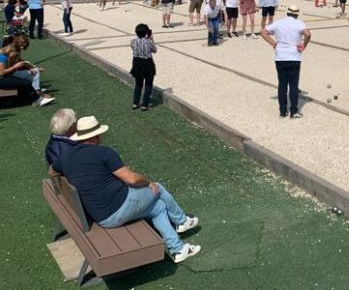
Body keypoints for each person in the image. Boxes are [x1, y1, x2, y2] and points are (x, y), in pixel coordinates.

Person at [50, 116, 201, 262]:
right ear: (97, 135)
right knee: (158, 188)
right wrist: (148, 182)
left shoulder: (66, 157)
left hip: (101, 218)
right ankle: (182, 221)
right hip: (118, 208)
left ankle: (178, 249)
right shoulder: (104, 153)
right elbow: (132, 179)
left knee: (158, 207)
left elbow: (52, 171)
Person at [261, 5, 311, 118]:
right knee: (293, 86)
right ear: (297, 14)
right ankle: (294, 111)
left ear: (287, 13)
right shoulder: (299, 23)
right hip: (294, 57)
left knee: (282, 85)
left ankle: (282, 112)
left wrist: (273, 43)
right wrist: (304, 44)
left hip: (280, 57)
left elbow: (263, 32)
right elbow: (308, 34)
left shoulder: (279, 22)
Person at [0, 34, 55, 106]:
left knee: (29, 80)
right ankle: (36, 99)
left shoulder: (13, 52)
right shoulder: (3, 56)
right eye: (21, 46)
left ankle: (34, 95)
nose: (22, 48)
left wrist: (32, 67)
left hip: (7, 75)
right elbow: (1, 73)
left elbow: (21, 62)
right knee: (27, 83)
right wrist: (15, 67)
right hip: (2, 78)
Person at [130, 23, 157, 111]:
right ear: (146, 32)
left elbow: (133, 48)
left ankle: (135, 103)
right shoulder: (148, 42)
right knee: (148, 84)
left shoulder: (133, 41)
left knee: (138, 84)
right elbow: (155, 50)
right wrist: (151, 39)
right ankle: (145, 105)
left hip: (137, 63)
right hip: (147, 63)